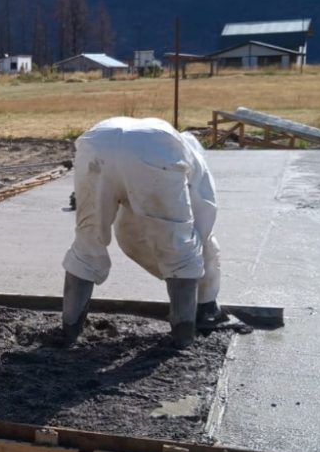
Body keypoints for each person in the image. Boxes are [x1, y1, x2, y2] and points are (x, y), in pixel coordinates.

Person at [61, 117, 230, 349]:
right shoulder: (191, 160)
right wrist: (202, 289)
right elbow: (203, 227)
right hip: (154, 148)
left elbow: (128, 229)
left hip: (96, 142)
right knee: (179, 246)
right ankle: (184, 335)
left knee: (88, 240)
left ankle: (69, 332)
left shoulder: (175, 145)